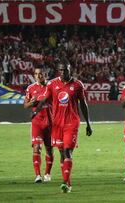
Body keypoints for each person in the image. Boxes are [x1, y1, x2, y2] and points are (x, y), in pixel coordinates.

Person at [33, 61, 92, 193]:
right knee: (61, 153)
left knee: (67, 152)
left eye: (65, 70)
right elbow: (44, 99)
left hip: (71, 123)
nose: (63, 72)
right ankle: (68, 182)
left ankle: (65, 182)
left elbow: (83, 104)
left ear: (70, 70)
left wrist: (88, 123)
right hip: (57, 124)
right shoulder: (52, 84)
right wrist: (35, 111)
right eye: (61, 70)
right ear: (58, 70)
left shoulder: (77, 85)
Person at [24, 67, 53, 183]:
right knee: (37, 147)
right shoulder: (30, 88)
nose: (38, 76)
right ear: (34, 76)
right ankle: (37, 175)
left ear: (45, 74)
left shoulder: (51, 86)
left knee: (49, 150)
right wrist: (31, 102)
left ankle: (47, 173)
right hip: (37, 122)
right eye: (36, 74)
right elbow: (25, 105)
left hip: (50, 122)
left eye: (40, 74)